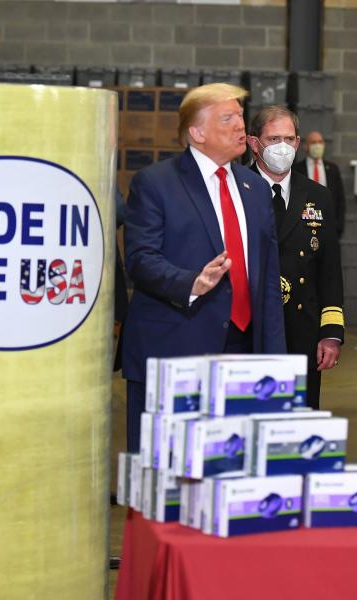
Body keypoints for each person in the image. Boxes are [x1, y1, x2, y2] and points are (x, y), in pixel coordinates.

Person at [121, 83, 286, 452]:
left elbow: (268, 279)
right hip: (178, 348)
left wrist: (274, 356)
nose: (240, 126)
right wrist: (192, 283)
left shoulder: (254, 189)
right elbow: (139, 258)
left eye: (240, 116)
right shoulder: (156, 183)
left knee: (228, 467)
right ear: (196, 133)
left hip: (244, 350)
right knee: (168, 473)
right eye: (227, 118)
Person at [246, 106, 345, 409]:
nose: (283, 147)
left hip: (302, 331)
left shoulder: (317, 196)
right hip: (250, 331)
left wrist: (330, 332)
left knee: (297, 422)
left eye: (289, 139)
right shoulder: (237, 188)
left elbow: (329, 270)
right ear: (254, 143)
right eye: (274, 138)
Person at [294, 131, 346, 237]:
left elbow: (340, 199)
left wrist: (338, 225)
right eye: (313, 142)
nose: (317, 145)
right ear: (305, 146)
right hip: (305, 225)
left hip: (329, 225)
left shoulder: (332, 169)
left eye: (320, 142)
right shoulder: (296, 169)